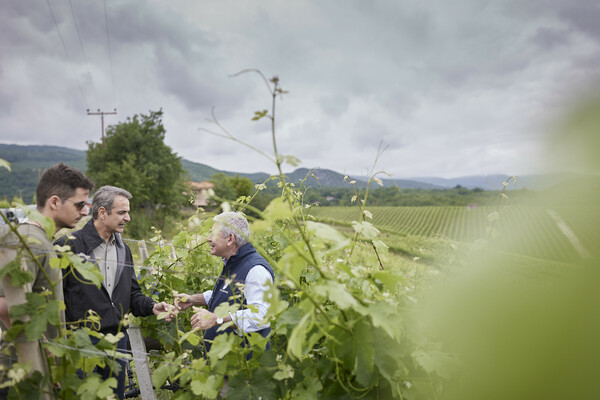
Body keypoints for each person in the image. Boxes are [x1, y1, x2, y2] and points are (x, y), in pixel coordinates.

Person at [55, 185, 172, 400]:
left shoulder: (123, 249)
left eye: (128, 212)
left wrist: (152, 307)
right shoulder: (68, 247)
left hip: (116, 343)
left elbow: (132, 294)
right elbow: (53, 301)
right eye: (122, 212)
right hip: (81, 344)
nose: (128, 218)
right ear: (102, 212)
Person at [0, 163, 94, 399]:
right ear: (54, 202)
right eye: (80, 204)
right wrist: (45, 357)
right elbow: (5, 306)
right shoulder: (29, 242)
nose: (85, 212)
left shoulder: (40, 240)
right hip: (21, 374)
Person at [176, 212, 274, 354]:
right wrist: (192, 300)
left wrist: (217, 319)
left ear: (230, 239)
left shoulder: (256, 270)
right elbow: (224, 295)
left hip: (243, 365)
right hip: (224, 362)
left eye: (213, 234)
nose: (208, 239)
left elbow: (261, 317)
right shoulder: (233, 262)